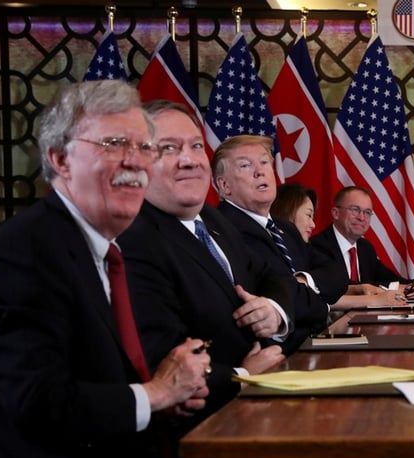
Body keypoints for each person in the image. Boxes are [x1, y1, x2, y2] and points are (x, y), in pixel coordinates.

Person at [0, 81, 213, 458]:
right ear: (59, 158)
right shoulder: (26, 251)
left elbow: (97, 380)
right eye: (114, 144)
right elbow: (39, 403)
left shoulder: (104, 248)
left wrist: (166, 401)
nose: (136, 161)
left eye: (143, 147)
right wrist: (156, 394)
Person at [117, 100, 289, 416]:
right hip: (211, 422)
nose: (189, 160)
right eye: (168, 148)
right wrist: (243, 376)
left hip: (268, 398)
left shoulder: (214, 219)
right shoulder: (134, 240)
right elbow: (160, 364)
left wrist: (273, 309)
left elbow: (275, 276)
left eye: (196, 146)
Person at [213, 135, 332, 355]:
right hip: (278, 355)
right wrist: (322, 305)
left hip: (311, 346)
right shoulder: (226, 229)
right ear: (224, 186)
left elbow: (335, 273)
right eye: (245, 165)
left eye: (264, 162)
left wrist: (304, 281)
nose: (260, 171)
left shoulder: (285, 228)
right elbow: (288, 293)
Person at [272, 183, 408, 311]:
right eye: (308, 215)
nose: (313, 225)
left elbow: (336, 278)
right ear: (288, 213)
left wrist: (360, 288)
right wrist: (374, 300)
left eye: (367, 212)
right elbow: (314, 300)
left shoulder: (365, 248)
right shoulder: (316, 244)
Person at [308, 185, 414, 295]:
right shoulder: (318, 246)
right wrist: (412, 287)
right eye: (355, 210)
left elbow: (389, 279)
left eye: (367, 212)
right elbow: (346, 286)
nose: (362, 218)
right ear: (336, 213)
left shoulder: (365, 248)